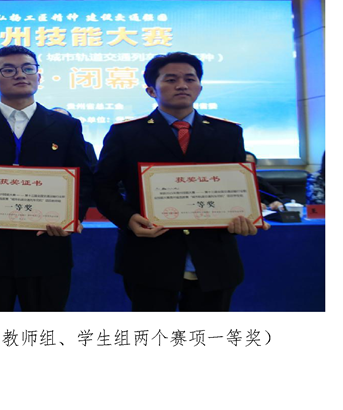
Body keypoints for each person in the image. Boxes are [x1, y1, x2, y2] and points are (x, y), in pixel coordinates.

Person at [95, 51, 264, 312]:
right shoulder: (126, 134)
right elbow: (102, 187)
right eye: (171, 79)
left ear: (200, 87)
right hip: (149, 255)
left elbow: (235, 186)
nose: (182, 85)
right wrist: (128, 219)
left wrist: (246, 216)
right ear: (151, 90)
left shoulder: (228, 133)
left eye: (190, 79)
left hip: (215, 257)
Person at [0, 47, 93, 311]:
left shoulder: (66, 126)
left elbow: (85, 178)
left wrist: (71, 216)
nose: (20, 74)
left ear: (38, 76)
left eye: (28, 68)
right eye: (8, 70)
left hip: (47, 245)